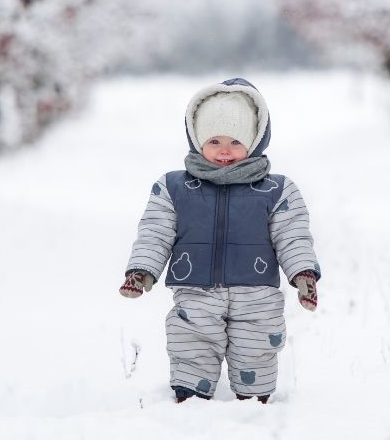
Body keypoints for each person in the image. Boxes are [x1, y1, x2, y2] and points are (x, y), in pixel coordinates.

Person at [119, 77, 321, 404]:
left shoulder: (278, 190)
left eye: (236, 141)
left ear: (255, 142)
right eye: (214, 140)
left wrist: (303, 274)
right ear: (197, 140)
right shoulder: (173, 187)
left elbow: (292, 235)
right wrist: (141, 270)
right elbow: (154, 231)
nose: (224, 150)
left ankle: (255, 406)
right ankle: (189, 401)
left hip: (257, 295)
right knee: (190, 344)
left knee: (256, 350)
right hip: (195, 292)